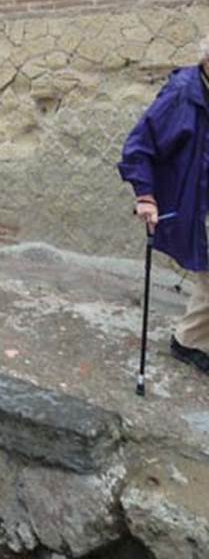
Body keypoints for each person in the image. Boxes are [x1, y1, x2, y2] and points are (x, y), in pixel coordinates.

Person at [119, 39, 209, 372]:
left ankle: (190, 338)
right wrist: (145, 195)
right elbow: (139, 146)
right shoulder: (182, 94)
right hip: (198, 202)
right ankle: (187, 341)